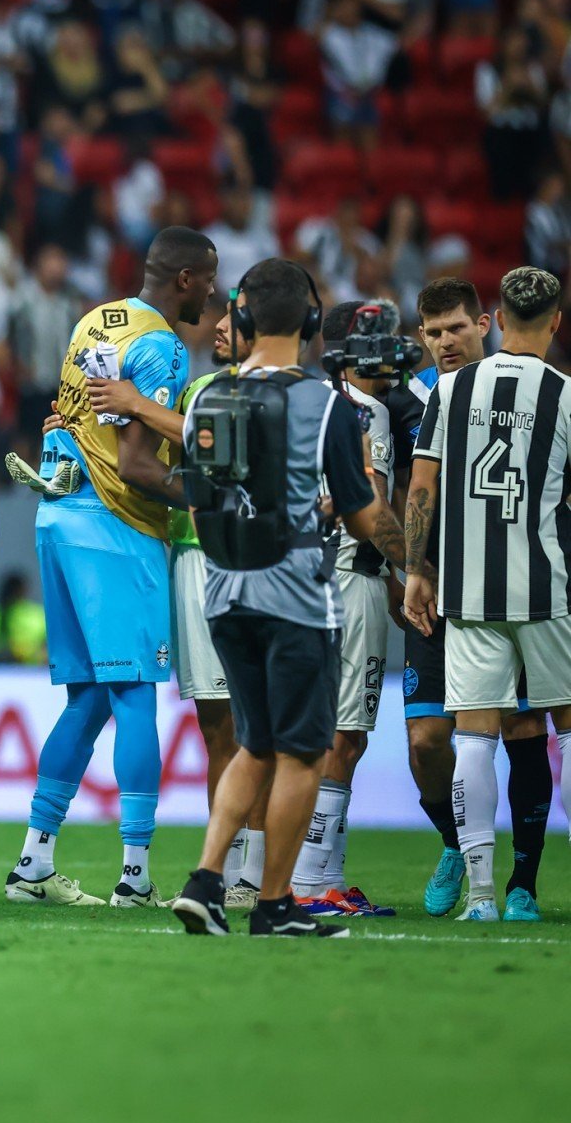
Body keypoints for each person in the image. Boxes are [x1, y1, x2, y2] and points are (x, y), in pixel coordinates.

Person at [169, 259, 407, 938]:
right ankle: (274, 904)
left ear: (241, 322)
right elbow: (365, 512)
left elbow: (202, 500)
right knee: (303, 752)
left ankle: (206, 879)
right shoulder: (328, 403)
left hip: (224, 596)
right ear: (309, 324)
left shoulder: (204, 400)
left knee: (257, 743)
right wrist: (414, 568)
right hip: (298, 599)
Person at [1, 227, 216, 908]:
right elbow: (137, 464)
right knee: (134, 695)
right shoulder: (163, 348)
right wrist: (212, 496)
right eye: (208, 279)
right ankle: (135, 876)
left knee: (90, 697)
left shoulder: (97, 319)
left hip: (56, 518)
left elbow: (66, 421)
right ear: (184, 278)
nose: (213, 294)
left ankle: (33, 865)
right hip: (114, 526)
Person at [403, 266, 571, 923]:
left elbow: (421, 489)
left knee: (473, 738)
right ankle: (522, 888)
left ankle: (479, 896)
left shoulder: (450, 390)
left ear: (496, 318)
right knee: (562, 726)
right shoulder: (564, 394)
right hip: (546, 588)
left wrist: (418, 570)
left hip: (469, 592)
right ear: (556, 321)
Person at [84, 311, 259, 906]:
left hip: (249, 557)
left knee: (256, 723)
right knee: (217, 726)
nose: (216, 325)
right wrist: (83, 430)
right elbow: (150, 448)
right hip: (190, 553)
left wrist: (136, 402)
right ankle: (228, 873)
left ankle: (260, 871)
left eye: (233, 318)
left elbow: (217, 438)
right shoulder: (192, 387)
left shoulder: (267, 387)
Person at [288, 303, 402, 916]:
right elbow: (375, 506)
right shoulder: (368, 411)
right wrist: (412, 572)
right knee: (345, 734)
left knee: (317, 730)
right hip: (349, 582)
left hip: (300, 581)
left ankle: (319, 874)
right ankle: (312, 882)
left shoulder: (305, 399)